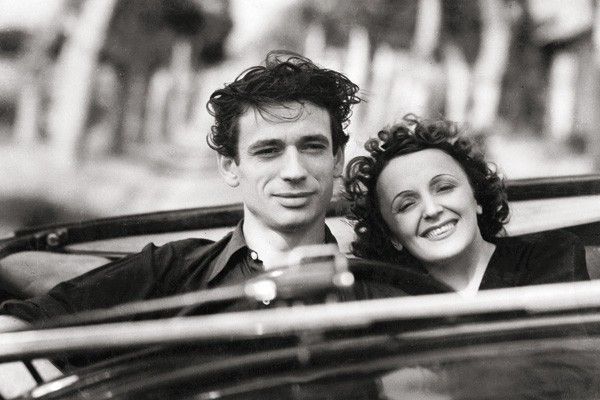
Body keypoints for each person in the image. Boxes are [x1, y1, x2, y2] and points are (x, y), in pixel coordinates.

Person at [0, 50, 363, 331]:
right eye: (268, 151)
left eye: (312, 147)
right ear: (230, 167)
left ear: (337, 159)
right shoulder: (170, 273)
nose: (294, 172)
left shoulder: (378, 288)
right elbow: (16, 330)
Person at [344, 115, 590, 295]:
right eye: (407, 204)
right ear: (392, 235)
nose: (432, 210)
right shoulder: (385, 297)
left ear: (477, 198)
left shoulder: (550, 255)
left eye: (444, 188)